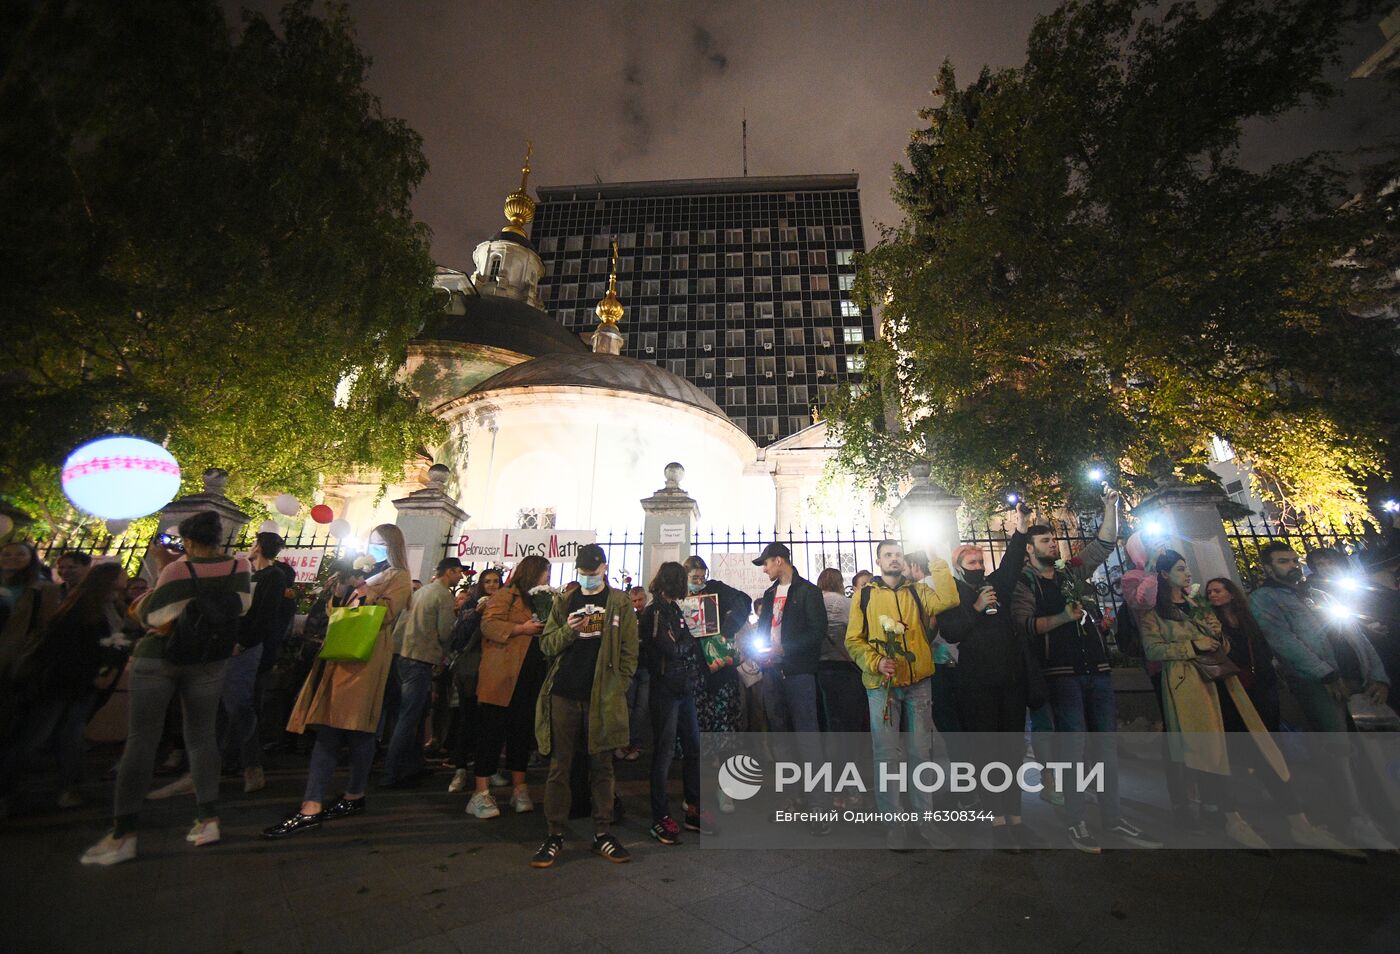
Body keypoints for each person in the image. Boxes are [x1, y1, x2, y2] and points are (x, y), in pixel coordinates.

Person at [1141, 552, 1355, 852]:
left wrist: (1216, 635)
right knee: (1211, 754)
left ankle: (1298, 822)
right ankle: (1232, 819)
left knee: (1260, 746)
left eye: (1187, 567)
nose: (1188, 573)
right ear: (1164, 575)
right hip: (1192, 689)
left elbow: (1227, 644)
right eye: (1180, 569)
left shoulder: (1197, 607)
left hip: (1227, 685)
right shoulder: (1154, 615)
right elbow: (1152, 649)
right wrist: (1192, 645)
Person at [81, 511, 252, 866]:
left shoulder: (177, 569)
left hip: (162, 658)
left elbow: (151, 617)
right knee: (203, 737)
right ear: (221, 538)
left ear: (188, 540)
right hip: (209, 659)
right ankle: (208, 821)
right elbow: (242, 607)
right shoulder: (240, 567)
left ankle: (124, 833)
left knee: (142, 740)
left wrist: (162, 573)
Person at [1011, 489, 1159, 853]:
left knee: (1105, 749)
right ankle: (1075, 821)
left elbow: (1103, 544)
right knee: (1072, 751)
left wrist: (1111, 507)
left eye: (1053, 539)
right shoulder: (1025, 582)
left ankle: (1113, 817)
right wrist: (1063, 617)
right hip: (1061, 674)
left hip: (1097, 667)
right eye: (1044, 540)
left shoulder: (1071, 572)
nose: (1052, 544)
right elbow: (1025, 625)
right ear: (1029, 549)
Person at [264, 525, 412, 839]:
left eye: (381, 543)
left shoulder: (398, 577)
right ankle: (313, 802)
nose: (374, 547)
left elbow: (385, 615)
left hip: (366, 660)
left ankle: (352, 795)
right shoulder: (369, 573)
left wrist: (364, 589)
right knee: (328, 728)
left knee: (357, 730)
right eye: (371, 541)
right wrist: (340, 588)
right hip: (338, 656)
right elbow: (336, 612)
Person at [1248, 541, 1395, 849]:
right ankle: (1354, 819)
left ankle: (1383, 812)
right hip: (1318, 683)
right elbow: (1283, 641)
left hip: (1357, 680)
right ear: (1267, 567)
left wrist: (1377, 675)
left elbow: (1355, 635)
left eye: (1293, 560)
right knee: (1337, 752)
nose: (1292, 565)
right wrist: (1324, 673)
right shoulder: (1264, 599)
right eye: (1283, 561)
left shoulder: (1316, 594)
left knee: (1374, 750)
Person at [938, 503, 1047, 850]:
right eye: (972, 563)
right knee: (986, 752)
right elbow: (952, 632)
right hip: (976, 685)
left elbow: (1013, 560)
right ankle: (997, 820)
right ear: (959, 567)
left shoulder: (996, 585)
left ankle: (1015, 817)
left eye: (981, 562)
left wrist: (1021, 524)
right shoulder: (953, 596)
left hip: (1010, 681)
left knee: (1012, 751)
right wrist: (975, 608)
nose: (979, 566)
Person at [845, 539, 960, 850]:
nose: (894, 559)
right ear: (879, 561)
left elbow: (949, 599)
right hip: (881, 685)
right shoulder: (865, 594)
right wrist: (877, 661)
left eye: (898, 554)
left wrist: (936, 557)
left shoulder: (918, 591)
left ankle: (926, 821)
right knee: (886, 755)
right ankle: (894, 823)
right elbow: (853, 640)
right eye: (888, 555)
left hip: (919, 680)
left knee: (921, 753)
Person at [530, 544, 638, 867]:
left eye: (593, 573)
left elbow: (630, 652)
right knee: (559, 765)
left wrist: (619, 686)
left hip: (601, 696)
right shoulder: (565, 601)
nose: (588, 579)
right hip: (565, 693)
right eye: (583, 573)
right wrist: (568, 631)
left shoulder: (619, 603)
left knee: (602, 765)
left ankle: (602, 831)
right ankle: (554, 833)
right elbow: (547, 645)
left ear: (604, 568)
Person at [1, 562, 126, 815]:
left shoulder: (106, 604)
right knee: (35, 736)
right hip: (61, 683)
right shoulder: (85, 607)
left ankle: (69, 787)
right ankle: (6, 789)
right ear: (109, 579)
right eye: (121, 573)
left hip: (80, 683)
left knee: (69, 735)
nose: (125, 577)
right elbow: (74, 646)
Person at [754, 542, 833, 833]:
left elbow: (817, 631)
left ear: (780, 560)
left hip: (798, 673)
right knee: (782, 738)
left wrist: (785, 650)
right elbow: (763, 629)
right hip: (772, 674)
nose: (764, 569)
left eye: (766, 563)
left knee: (808, 739)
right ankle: (792, 797)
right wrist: (760, 653)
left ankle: (819, 806)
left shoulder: (808, 592)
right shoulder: (769, 594)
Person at [465, 555, 550, 819]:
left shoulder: (540, 598)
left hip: (528, 676)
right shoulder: (506, 595)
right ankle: (480, 792)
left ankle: (519, 787)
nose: (548, 577)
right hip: (502, 676)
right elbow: (489, 625)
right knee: (491, 732)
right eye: (546, 572)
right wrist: (521, 628)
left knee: (520, 734)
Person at [382, 557, 464, 787]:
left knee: (415, 713)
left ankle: (413, 764)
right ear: (449, 572)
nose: (460, 577)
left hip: (403, 655)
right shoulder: (443, 595)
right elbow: (445, 631)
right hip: (421, 658)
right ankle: (392, 772)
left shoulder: (421, 591)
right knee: (408, 716)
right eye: (458, 572)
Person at [639, 561, 706, 844]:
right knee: (664, 753)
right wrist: (688, 640)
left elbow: (679, 642)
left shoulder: (675, 610)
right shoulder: (654, 612)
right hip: (666, 689)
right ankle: (660, 816)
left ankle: (694, 808)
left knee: (693, 747)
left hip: (683, 687)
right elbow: (672, 647)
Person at [224, 532, 294, 794]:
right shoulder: (249, 573)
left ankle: (250, 765)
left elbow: (264, 615)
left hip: (248, 649)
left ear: (260, 546)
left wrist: (243, 643)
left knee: (241, 706)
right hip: (236, 646)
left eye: (254, 543)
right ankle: (231, 759)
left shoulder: (273, 576)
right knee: (233, 706)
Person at [683, 555, 749, 812]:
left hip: (721, 672)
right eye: (694, 578)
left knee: (724, 733)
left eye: (702, 577)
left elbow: (743, 601)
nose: (699, 582)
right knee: (696, 736)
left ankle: (726, 791)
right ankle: (694, 795)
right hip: (694, 674)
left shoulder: (717, 589)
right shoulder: (679, 597)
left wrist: (726, 628)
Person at [447, 567, 501, 792]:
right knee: (467, 719)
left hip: (493, 668)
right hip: (471, 669)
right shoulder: (471, 604)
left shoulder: (502, 604)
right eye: (487, 581)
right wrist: (477, 613)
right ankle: (460, 769)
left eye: (495, 581)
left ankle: (488, 768)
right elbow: (459, 636)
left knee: (489, 722)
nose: (491, 585)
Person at [1204, 578, 1282, 731]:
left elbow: (1259, 642)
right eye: (1209, 592)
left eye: (1217, 591)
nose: (1212, 595)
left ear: (1231, 594)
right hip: (1235, 678)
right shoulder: (1210, 621)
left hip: (1261, 675)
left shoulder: (1247, 617)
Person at [1, 541, 62, 692]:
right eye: (6, 554)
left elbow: (46, 625)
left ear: (31, 558)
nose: (12, 558)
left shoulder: (44, 589)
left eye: (20, 554)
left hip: (12, 655)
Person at [815, 568, 864, 734]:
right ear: (840, 582)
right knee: (849, 716)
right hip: (845, 665)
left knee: (830, 716)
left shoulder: (814, 602)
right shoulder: (845, 603)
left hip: (821, 667)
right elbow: (858, 629)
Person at [616, 585, 651, 761]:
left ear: (646, 598)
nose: (638, 604)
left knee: (641, 708)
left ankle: (635, 743)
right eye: (634, 601)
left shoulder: (652, 615)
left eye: (640, 600)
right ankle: (623, 742)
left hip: (645, 667)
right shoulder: (627, 618)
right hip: (631, 668)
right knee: (627, 707)